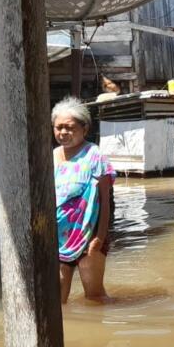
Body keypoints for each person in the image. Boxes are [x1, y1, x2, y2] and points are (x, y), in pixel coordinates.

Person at [52, 97, 115, 304]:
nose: (63, 132)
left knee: (95, 296)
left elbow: (105, 201)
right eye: (58, 127)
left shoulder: (95, 156)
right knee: (57, 299)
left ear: (84, 129)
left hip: (89, 235)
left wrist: (99, 237)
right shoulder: (51, 156)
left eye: (70, 128)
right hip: (58, 239)